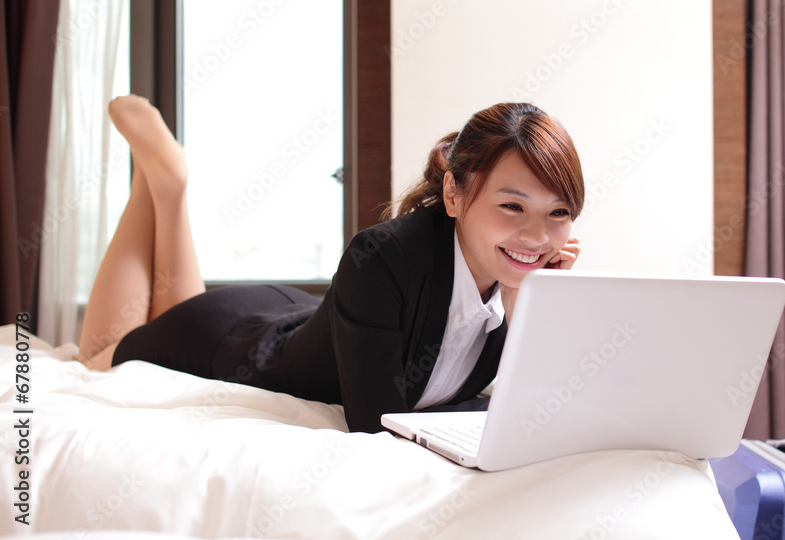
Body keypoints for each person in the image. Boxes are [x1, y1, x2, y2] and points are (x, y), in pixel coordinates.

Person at [78, 96, 584, 432]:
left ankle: (162, 185)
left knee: (173, 295)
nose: (538, 237)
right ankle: (165, 184)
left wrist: (526, 303)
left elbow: (536, 412)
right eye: (512, 206)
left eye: (557, 213)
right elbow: (375, 423)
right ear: (454, 192)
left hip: (300, 314)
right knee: (97, 352)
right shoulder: (386, 254)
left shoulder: (523, 283)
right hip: (226, 339)